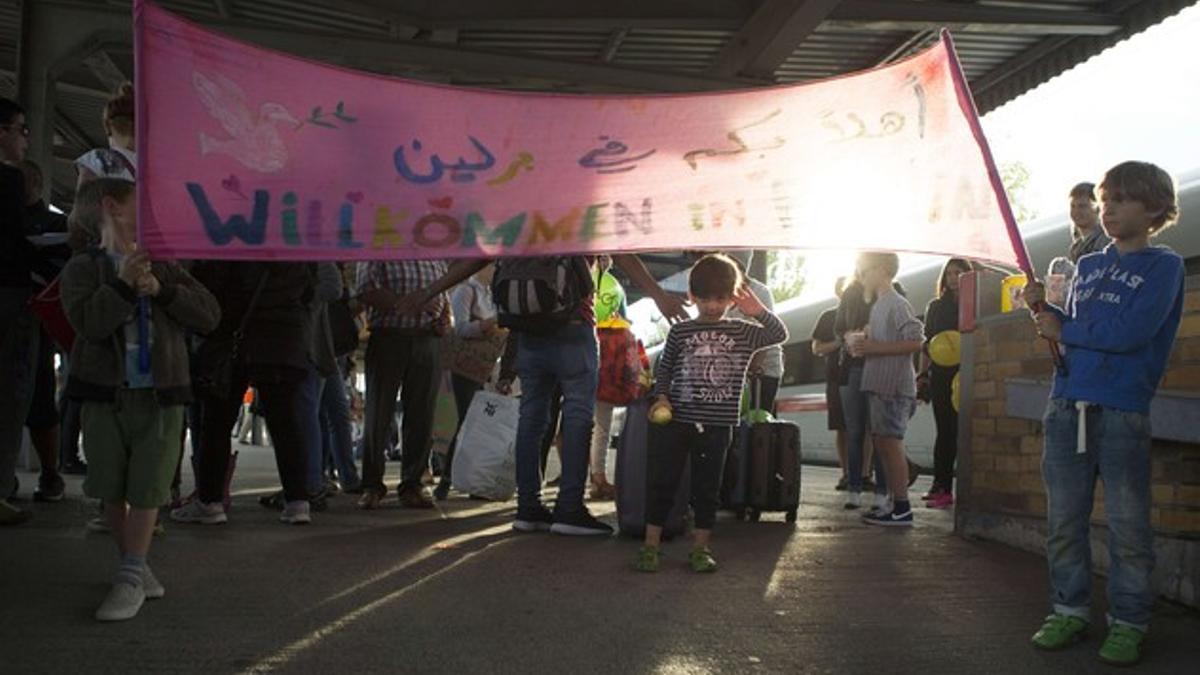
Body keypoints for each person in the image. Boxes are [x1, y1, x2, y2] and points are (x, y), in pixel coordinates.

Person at [399, 254, 689, 536]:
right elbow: (624, 256)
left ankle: (528, 508)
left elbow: (479, 257)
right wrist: (660, 297)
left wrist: (427, 292)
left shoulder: (523, 225)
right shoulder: (579, 220)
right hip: (574, 330)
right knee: (577, 417)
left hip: (528, 334)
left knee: (531, 419)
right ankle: (569, 509)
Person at [1024, 161, 1183, 666]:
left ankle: (1130, 619)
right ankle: (1068, 609)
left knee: (1128, 523)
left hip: (1121, 409)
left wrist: (1062, 330)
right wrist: (1042, 310)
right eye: (1105, 197)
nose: (1107, 208)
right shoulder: (1085, 267)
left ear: (1155, 208)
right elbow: (1069, 326)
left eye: (1121, 199)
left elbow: (1129, 333)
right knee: (1064, 520)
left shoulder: (1164, 266)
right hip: (1066, 403)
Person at [60, 178, 220, 620]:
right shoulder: (80, 268)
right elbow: (88, 324)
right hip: (103, 395)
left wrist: (162, 291)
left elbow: (210, 315)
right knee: (110, 485)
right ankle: (137, 565)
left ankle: (129, 575)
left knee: (149, 485)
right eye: (141, 206)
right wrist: (125, 287)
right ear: (111, 206)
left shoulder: (164, 264)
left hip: (162, 394)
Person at [635, 254, 787, 572]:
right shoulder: (679, 332)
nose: (712, 306)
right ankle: (650, 547)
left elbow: (778, 335)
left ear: (732, 298)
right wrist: (662, 397)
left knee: (708, 490)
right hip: (676, 421)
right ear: (692, 296)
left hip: (719, 426)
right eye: (704, 299)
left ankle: (700, 548)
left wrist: (757, 311)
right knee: (664, 483)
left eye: (720, 299)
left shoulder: (744, 331)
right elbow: (665, 370)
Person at [171, 260, 317, 525]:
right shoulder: (293, 244)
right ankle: (298, 502)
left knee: (216, 423)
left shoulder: (229, 241)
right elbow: (310, 289)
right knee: (286, 423)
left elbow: (211, 288)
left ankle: (210, 501)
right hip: (283, 340)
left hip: (232, 338)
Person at [355, 260, 452, 510]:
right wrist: (412, 301)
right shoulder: (378, 248)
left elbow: (444, 297)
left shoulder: (436, 257)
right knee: (379, 415)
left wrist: (443, 318)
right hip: (388, 338)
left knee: (422, 416)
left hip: (427, 340)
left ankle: (412, 484)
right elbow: (366, 291)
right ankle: (372, 485)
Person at [0, 97, 57, 525]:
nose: (25, 138)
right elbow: (15, 245)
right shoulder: (8, 181)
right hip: (12, 296)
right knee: (12, 393)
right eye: (21, 129)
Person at [850, 251, 924, 527]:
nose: (861, 275)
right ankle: (894, 503)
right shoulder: (880, 305)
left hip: (893, 386)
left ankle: (902, 508)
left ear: (881, 270)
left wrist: (875, 347)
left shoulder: (896, 303)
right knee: (883, 443)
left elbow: (916, 340)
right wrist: (865, 342)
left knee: (890, 445)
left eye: (864, 269)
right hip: (880, 384)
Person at [435, 263, 505, 501]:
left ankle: (471, 481)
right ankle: (446, 479)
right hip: (465, 368)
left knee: (479, 425)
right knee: (468, 423)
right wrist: (488, 324)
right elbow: (461, 329)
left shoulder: (491, 294)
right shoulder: (466, 291)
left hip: (486, 367)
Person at [919, 258, 972, 509]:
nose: (953, 278)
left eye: (958, 272)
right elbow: (927, 345)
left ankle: (965, 487)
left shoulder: (975, 303)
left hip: (968, 373)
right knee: (945, 431)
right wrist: (922, 375)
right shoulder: (935, 307)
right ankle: (941, 486)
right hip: (941, 375)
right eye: (949, 273)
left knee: (966, 432)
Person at [834, 270, 886, 510]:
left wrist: (872, 329)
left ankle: (882, 493)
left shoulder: (891, 292)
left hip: (881, 367)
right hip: (852, 368)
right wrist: (848, 335)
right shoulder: (850, 293)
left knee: (879, 432)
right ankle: (854, 489)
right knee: (854, 432)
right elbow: (838, 328)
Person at [725, 251, 784, 410]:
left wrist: (750, 369)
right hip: (732, 370)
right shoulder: (720, 293)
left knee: (756, 417)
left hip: (763, 371)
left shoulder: (760, 292)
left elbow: (767, 333)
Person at [810, 277, 848, 490]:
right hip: (835, 379)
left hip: (860, 377)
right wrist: (838, 343)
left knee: (866, 429)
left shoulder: (865, 313)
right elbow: (816, 348)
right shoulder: (828, 316)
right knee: (841, 428)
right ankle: (846, 473)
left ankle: (864, 474)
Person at [1067, 182, 1110, 263]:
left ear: (1097, 208)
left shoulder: (1105, 241)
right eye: (1073, 206)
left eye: (1082, 206)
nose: (1076, 211)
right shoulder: (1076, 248)